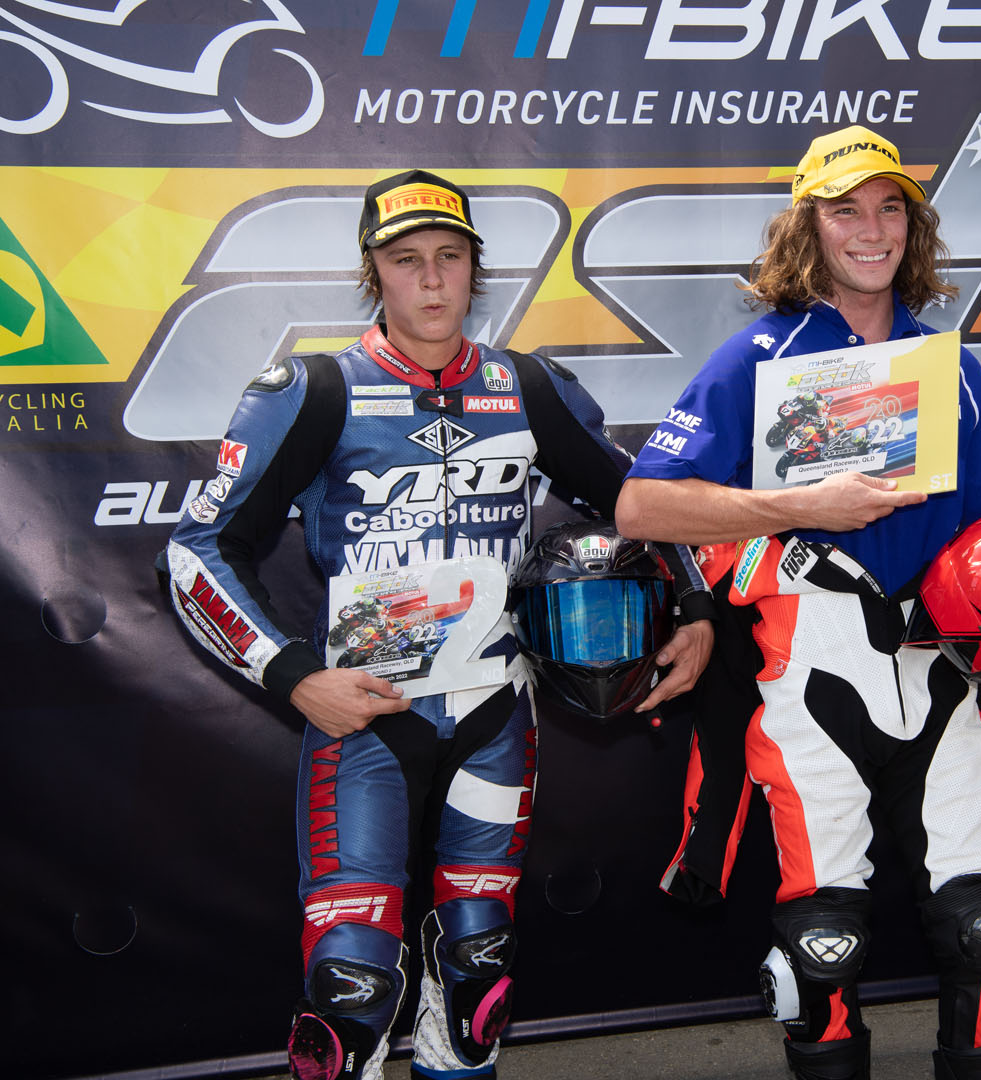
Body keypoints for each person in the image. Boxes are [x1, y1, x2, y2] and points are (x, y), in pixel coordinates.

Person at [159, 170, 714, 1080]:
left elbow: (643, 504)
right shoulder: (316, 388)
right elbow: (196, 553)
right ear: (372, 271)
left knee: (478, 973)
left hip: (497, 715)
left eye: (449, 257)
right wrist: (295, 677)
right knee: (349, 989)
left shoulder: (527, 385)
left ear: (474, 271)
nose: (430, 279)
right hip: (367, 719)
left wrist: (693, 607)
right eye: (406, 259)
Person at [616, 125, 981, 1080]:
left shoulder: (948, 363)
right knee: (821, 945)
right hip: (808, 663)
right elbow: (642, 506)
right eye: (845, 211)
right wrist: (799, 506)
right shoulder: (759, 355)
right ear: (809, 227)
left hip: (940, 668)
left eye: (889, 209)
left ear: (913, 229)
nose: (871, 230)